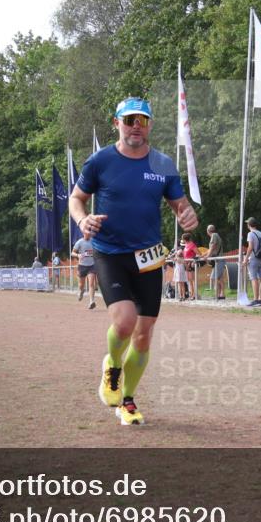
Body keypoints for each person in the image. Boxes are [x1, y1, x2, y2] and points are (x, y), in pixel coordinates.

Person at [69, 96, 197, 426]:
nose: (135, 127)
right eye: (129, 120)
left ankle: (127, 400)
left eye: (142, 120)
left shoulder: (164, 164)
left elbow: (178, 203)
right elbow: (76, 199)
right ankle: (112, 364)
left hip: (149, 258)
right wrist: (82, 220)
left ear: (150, 124)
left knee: (143, 335)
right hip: (110, 252)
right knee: (124, 321)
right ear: (117, 123)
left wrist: (187, 215)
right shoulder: (100, 161)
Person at [241, 217, 261, 306]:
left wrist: (245, 259)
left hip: (254, 259)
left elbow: (250, 247)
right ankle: (260, 299)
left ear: (249, 225)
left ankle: (255, 299)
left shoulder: (250, 234)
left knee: (253, 278)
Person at [72, 230, 98, 309]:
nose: (88, 234)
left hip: (92, 265)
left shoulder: (93, 242)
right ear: (83, 233)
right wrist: (78, 255)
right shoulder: (79, 242)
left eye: (89, 233)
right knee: (81, 285)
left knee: (91, 284)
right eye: (86, 233)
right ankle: (81, 291)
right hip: (82, 265)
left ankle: (91, 301)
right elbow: (72, 253)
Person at [206, 224, 226, 300]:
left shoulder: (214, 235)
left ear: (208, 231)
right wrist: (203, 255)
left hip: (218, 260)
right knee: (220, 278)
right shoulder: (216, 235)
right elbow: (211, 249)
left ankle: (217, 294)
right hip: (219, 260)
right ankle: (221, 294)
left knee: (214, 277)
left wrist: (207, 257)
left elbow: (212, 247)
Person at [182, 233, 199, 300]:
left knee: (192, 280)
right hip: (186, 265)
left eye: (182, 238)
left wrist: (192, 261)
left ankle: (194, 294)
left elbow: (198, 254)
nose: (182, 240)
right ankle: (192, 294)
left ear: (185, 239)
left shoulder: (192, 245)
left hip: (191, 265)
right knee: (189, 280)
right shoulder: (186, 245)